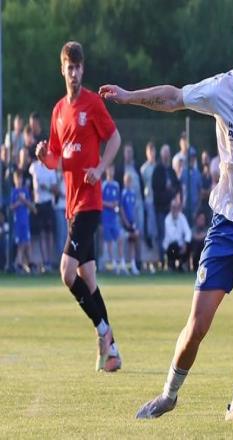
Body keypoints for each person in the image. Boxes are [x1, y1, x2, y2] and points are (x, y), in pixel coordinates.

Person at [99, 16, 233, 421]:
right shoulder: (220, 89)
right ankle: (169, 395)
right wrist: (129, 96)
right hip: (226, 220)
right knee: (197, 326)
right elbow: (172, 98)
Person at [35, 41, 122, 372]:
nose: (73, 73)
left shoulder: (92, 104)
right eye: (68, 67)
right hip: (71, 206)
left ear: (83, 69)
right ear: (62, 70)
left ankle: (102, 331)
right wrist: (44, 157)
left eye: (78, 67)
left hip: (89, 203)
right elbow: (57, 160)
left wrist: (100, 168)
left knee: (66, 271)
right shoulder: (58, 111)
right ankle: (112, 352)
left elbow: (115, 139)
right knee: (88, 277)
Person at [151, 144, 181, 270]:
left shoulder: (171, 171)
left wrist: (174, 196)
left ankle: (171, 262)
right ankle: (161, 261)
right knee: (162, 235)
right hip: (160, 209)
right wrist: (167, 190)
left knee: (171, 235)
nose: (166, 155)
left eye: (168, 153)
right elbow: (155, 188)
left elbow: (177, 187)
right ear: (161, 154)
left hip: (171, 210)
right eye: (164, 153)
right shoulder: (157, 170)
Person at [102, 165, 127, 274]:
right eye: (109, 169)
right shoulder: (104, 185)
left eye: (112, 169)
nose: (111, 171)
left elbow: (118, 201)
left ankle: (122, 263)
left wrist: (116, 205)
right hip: (106, 217)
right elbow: (100, 201)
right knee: (109, 242)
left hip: (114, 217)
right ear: (106, 171)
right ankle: (113, 264)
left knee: (120, 239)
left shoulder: (116, 185)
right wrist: (109, 204)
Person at [10, 169, 35, 273]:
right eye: (17, 178)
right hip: (18, 222)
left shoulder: (25, 191)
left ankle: (25, 263)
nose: (19, 180)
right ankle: (19, 264)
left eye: (20, 178)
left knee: (27, 243)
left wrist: (24, 201)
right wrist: (18, 202)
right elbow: (11, 207)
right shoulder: (14, 192)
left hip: (26, 221)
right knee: (21, 243)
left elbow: (31, 206)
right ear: (14, 180)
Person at [120, 172, 141, 275]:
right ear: (124, 182)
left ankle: (133, 264)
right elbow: (122, 208)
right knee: (123, 240)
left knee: (132, 242)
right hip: (126, 222)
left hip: (132, 222)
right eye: (127, 181)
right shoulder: (123, 193)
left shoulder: (133, 194)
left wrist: (134, 221)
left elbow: (134, 209)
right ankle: (123, 263)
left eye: (130, 181)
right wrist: (125, 221)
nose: (128, 183)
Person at [163, 199, 192, 272]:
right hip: (171, 246)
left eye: (176, 207)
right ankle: (171, 265)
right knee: (173, 246)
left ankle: (182, 265)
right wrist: (181, 245)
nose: (175, 209)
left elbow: (188, 232)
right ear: (170, 208)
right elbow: (172, 237)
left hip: (181, 245)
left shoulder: (182, 217)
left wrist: (185, 244)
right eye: (173, 207)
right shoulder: (167, 219)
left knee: (189, 245)